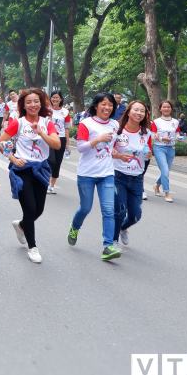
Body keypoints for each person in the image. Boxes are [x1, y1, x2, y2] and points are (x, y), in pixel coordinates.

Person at [0, 87, 60, 263]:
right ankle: (32, 247)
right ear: (23, 105)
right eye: (29, 102)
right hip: (22, 170)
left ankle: (21, 226)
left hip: (41, 170)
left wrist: (40, 132)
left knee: (38, 210)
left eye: (36, 101)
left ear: (41, 104)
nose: (33, 105)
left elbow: (56, 144)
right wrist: (13, 159)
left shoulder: (47, 123)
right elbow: (1, 143)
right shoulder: (18, 123)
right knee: (30, 209)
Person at [67, 92, 121, 261]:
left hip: (107, 173)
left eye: (110, 105)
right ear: (96, 106)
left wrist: (117, 152)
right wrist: (98, 139)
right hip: (87, 173)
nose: (107, 107)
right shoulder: (86, 123)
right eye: (103, 104)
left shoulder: (115, 124)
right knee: (85, 208)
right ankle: (74, 227)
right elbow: (81, 147)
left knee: (108, 210)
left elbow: (112, 146)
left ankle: (108, 246)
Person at [112, 101, 152, 248]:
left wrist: (149, 155)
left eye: (142, 111)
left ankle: (123, 228)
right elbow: (108, 150)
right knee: (120, 211)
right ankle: (113, 241)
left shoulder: (146, 133)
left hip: (137, 178)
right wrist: (117, 155)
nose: (139, 113)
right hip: (118, 175)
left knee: (136, 215)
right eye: (136, 109)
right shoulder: (117, 130)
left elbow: (148, 152)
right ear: (128, 112)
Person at [151, 101, 179, 203]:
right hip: (159, 148)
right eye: (164, 107)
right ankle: (167, 192)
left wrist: (179, 138)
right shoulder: (156, 122)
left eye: (168, 107)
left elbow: (177, 134)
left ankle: (157, 185)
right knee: (165, 170)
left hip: (171, 148)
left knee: (166, 170)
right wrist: (162, 139)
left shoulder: (175, 122)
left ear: (171, 109)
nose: (166, 109)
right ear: (160, 109)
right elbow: (152, 136)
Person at [47, 90, 71, 194]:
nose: (55, 99)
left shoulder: (65, 112)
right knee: (51, 160)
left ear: (61, 99)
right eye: (53, 97)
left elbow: (66, 128)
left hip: (61, 138)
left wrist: (68, 145)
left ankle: (52, 185)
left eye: (57, 97)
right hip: (49, 137)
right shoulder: (47, 110)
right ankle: (47, 183)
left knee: (57, 162)